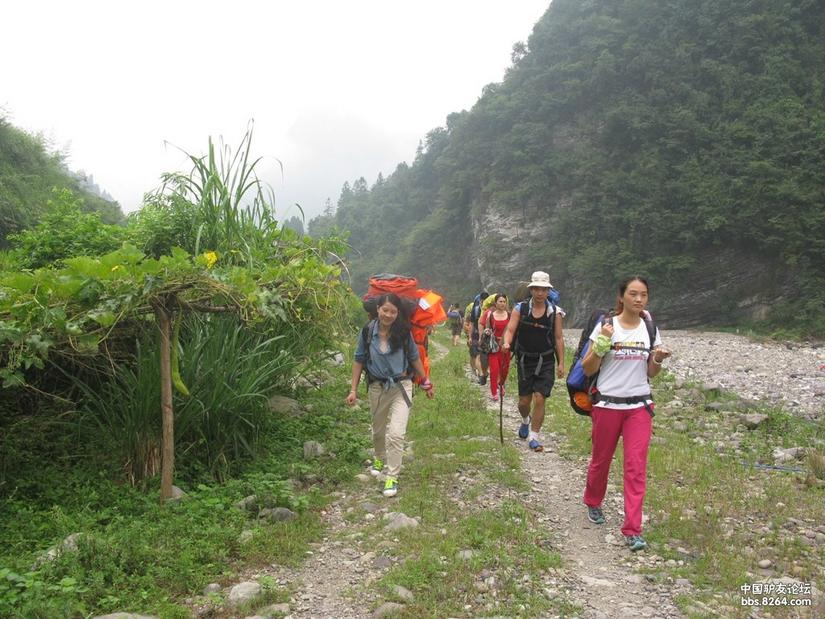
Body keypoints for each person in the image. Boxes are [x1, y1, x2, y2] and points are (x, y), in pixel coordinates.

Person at [580, 276, 671, 552]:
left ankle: (633, 529)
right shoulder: (607, 327)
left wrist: (657, 359)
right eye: (633, 294)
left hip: (639, 406)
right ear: (621, 297)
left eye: (643, 294)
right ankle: (593, 501)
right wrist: (602, 344)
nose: (638, 299)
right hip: (607, 404)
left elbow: (650, 373)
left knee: (635, 468)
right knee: (601, 460)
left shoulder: (650, 329)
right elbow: (587, 368)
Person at [346, 293, 435, 497]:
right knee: (378, 431)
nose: (388, 314)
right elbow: (359, 359)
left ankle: (392, 477)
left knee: (395, 434)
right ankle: (379, 456)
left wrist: (426, 382)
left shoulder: (404, 332)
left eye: (393, 311)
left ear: (398, 313)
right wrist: (353, 390)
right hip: (377, 387)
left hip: (401, 387)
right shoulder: (368, 331)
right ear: (377, 310)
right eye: (385, 310)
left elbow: (414, 358)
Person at [501, 271, 565, 452]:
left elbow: (559, 338)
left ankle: (534, 436)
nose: (540, 293)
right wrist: (506, 342)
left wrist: (561, 363)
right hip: (524, 360)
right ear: (531, 290)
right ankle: (525, 420)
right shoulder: (520, 309)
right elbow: (511, 330)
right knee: (523, 402)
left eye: (544, 289)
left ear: (548, 291)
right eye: (536, 289)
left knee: (540, 397)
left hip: (545, 360)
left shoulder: (555, 313)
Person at [479, 294, 511, 402]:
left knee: (505, 369)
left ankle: (501, 384)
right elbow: (487, 330)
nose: (502, 304)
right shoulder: (491, 316)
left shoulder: (510, 316)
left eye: (504, 301)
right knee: (494, 370)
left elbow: (512, 330)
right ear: (495, 303)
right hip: (494, 347)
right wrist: (485, 336)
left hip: (506, 346)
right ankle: (494, 392)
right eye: (500, 301)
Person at [469, 290, 490, 385]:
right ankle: (482, 374)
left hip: (482, 335)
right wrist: (470, 336)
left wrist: (470, 336)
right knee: (478, 355)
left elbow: (471, 324)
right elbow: (472, 324)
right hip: (479, 336)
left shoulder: (479, 309)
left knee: (483, 357)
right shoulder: (489, 310)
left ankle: (483, 373)